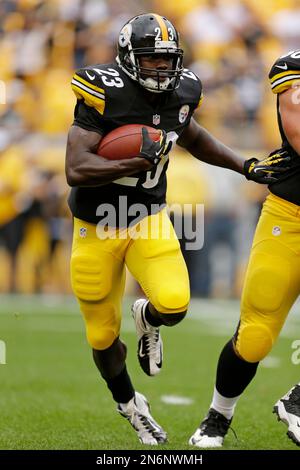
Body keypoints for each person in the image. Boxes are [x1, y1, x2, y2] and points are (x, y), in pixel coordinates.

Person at [66, 13, 289, 446]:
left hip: (147, 217)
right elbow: (76, 168)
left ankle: (146, 318)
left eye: (167, 61)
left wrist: (245, 164)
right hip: (96, 225)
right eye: (151, 61)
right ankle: (131, 404)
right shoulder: (103, 92)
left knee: (174, 303)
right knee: (101, 334)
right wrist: (136, 158)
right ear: (130, 60)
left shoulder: (182, 89)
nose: (161, 70)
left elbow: (193, 135)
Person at [189, 49, 300, 448]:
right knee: (255, 334)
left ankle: (299, 400)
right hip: (291, 218)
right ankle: (218, 415)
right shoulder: (294, 70)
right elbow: (299, 135)